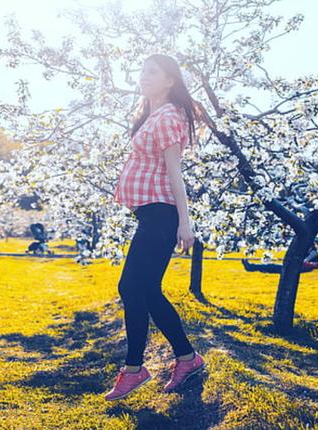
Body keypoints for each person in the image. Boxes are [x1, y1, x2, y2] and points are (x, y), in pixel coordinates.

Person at [104, 54, 208, 401]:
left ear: (169, 81)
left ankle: (134, 370)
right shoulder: (152, 114)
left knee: (131, 287)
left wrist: (185, 221)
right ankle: (187, 358)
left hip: (162, 216)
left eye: (152, 72)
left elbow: (175, 173)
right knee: (145, 291)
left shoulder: (165, 117)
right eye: (142, 70)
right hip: (151, 216)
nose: (143, 76)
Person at [241, 242, 318, 274]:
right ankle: (252, 267)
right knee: (271, 267)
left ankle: (251, 267)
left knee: (271, 267)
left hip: (296, 268)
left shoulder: (313, 253)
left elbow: (309, 262)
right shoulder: (309, 252)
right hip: (294, 266)